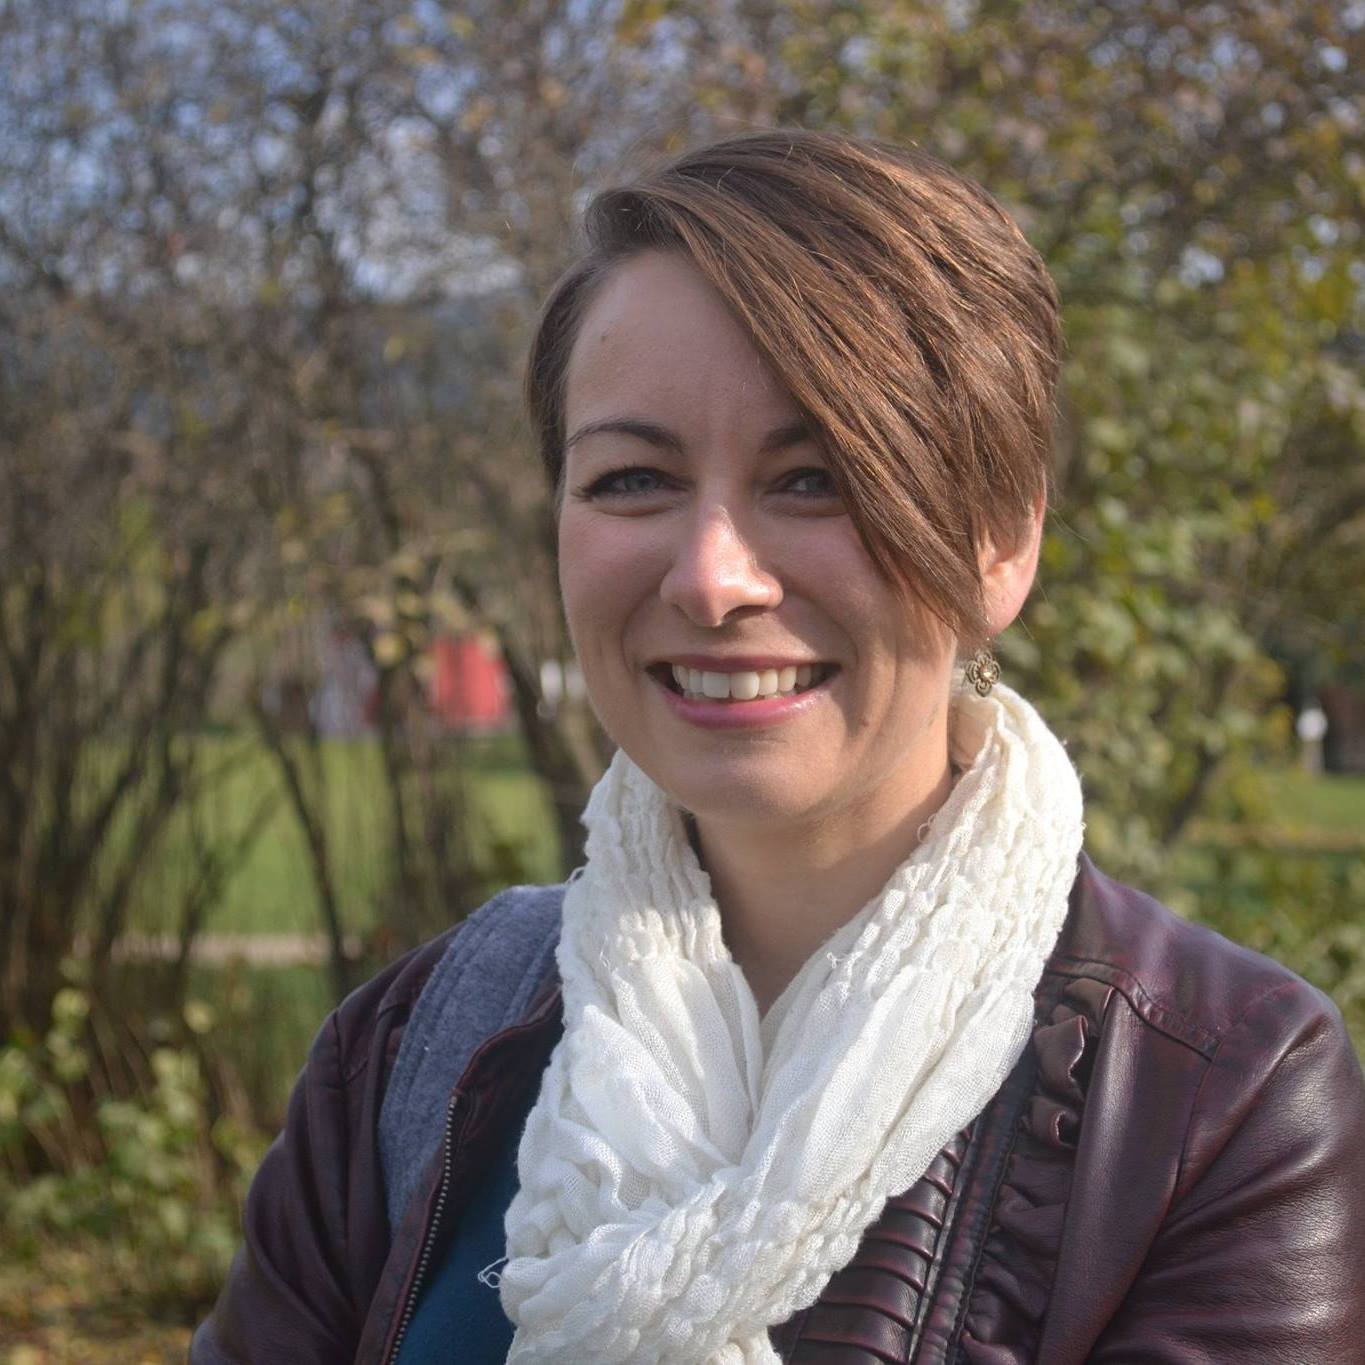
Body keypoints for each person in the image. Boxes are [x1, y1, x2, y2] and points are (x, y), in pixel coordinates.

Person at [192, 130, 1365, 1364]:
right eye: (633, 479)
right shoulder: (414, 1047)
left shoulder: (1218, 1106)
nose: (711, 579)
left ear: (1001, 545)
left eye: (816, 480)